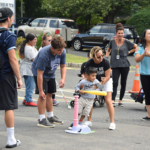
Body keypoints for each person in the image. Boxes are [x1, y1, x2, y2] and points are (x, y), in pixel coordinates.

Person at [32, 36, 66, 127]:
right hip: (40, 73)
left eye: (62, 49)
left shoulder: (62, 51)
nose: (61, 52)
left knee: (50, 93)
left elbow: (63, 66)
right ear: (52, 48)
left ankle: (50, 116)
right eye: (59, 50)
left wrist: (63, 78)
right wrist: (41, 90)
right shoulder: (44, 54)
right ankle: (42, 119)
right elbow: (39, 73)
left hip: (51, 73)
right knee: (43, 95)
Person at [0, 7, 22, 148]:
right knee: (9, 106)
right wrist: (19, 78)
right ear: (8, 19)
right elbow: (13, 59)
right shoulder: (9, 36)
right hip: (5, 74)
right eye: (12, 17)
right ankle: (11, 139)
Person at [82, 46, 116, 130]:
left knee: (108, 100)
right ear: (93, 57)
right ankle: (89, 121)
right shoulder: (89, 63)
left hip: (106, 80)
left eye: (102, 55)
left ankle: (112, 122)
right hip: (94, 81)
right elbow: (87, 76)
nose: (101, 58)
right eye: (98, 56)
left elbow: (107, 76)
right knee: (90, 100)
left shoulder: (105, 62)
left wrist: (102, 82)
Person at [106, 23, 137, 107]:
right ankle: (113, 100)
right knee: (114, 82)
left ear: (124, 34)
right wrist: (106, 57)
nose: (120, 34)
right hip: (115, 65)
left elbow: (136, 47)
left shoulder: (126, 41)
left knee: (123, 83)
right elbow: (108, 50)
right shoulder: (112, 41)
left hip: (125, 65)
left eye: (122, 33)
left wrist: (129, 52)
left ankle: (120, 100)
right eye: (119, 33)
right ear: (116, 34)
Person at [39, 32, 59, 106]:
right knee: (45, 91)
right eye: (49, 40)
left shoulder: (55, 50)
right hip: (44, 72)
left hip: (51, 70)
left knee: (51, 89)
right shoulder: (42, 50)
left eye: (51, 40)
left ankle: (52, 99)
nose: (50, 42)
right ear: (44, 40)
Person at [134, 29, 150, 121]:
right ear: (144, 36)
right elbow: (137, 59)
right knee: (148, 95)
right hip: (145, 75)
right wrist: (144, 54)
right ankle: (149, 115)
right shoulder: (140, 47)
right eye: (149, 34)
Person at [19, 33, 38, 106]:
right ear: (29, 40)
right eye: (34, 40)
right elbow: (35, 60)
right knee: (31, 86)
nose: (35, 41)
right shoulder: (29, 49)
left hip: (28, 70)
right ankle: (28, 100)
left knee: (29, 85)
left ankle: (26, 98)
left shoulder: (30, 47)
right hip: (29, 70)